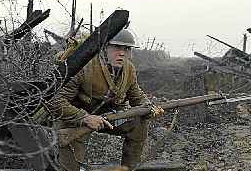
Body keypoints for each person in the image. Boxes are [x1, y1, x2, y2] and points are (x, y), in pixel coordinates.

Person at [48, 29, 164, 171]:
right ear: (105, 47)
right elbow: (55, 101)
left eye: (127, 49)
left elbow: (136, 96)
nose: (122, 53)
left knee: (138, 123)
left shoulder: (129, 69)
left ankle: (128, 168)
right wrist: (85, 118)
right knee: (69, 167)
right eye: (117, 47)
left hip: (108, 118)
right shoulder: (84, 66)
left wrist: (149, 107)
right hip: (75, 118)